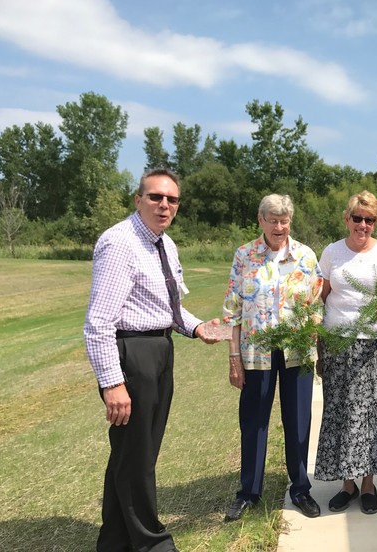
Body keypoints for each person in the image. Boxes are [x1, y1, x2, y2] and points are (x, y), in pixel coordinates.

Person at [84, 167, 220, 552]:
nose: (164, 205)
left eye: (171, 199)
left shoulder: (165, 244)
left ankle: (114, 540)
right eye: (155, 197)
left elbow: (170, 310)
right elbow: (98, 323)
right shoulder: (120, 243)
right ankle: (151, 542)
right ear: (138, 199)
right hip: (133, 354)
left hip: (160, 351)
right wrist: (113, 382)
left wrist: (197, 327)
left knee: (136, 452)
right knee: (136, 455)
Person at [222, 194, 324, 521]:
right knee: (253, 423)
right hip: (256, 353)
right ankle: (248, 492)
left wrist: (316, 337)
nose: (279, 227)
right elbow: (232, 312)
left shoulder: (305, 256)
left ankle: (300, 489)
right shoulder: (244, 256)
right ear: (261, 220)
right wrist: (234, 359)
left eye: (284, 220)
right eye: (273, 220)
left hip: (297, 352)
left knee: (297, 423)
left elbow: (317, 304)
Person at [314, 191, 377, 515]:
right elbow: (319, 298)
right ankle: (346, 484)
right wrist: (314, 331)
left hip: (376, 346)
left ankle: (368, 484)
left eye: (370, 219)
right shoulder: (331, 253)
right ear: (346, 219)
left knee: (371, 414)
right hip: (338, 345)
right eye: (357, 218)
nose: (363, 225)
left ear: (375, 222)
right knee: (340, 413)